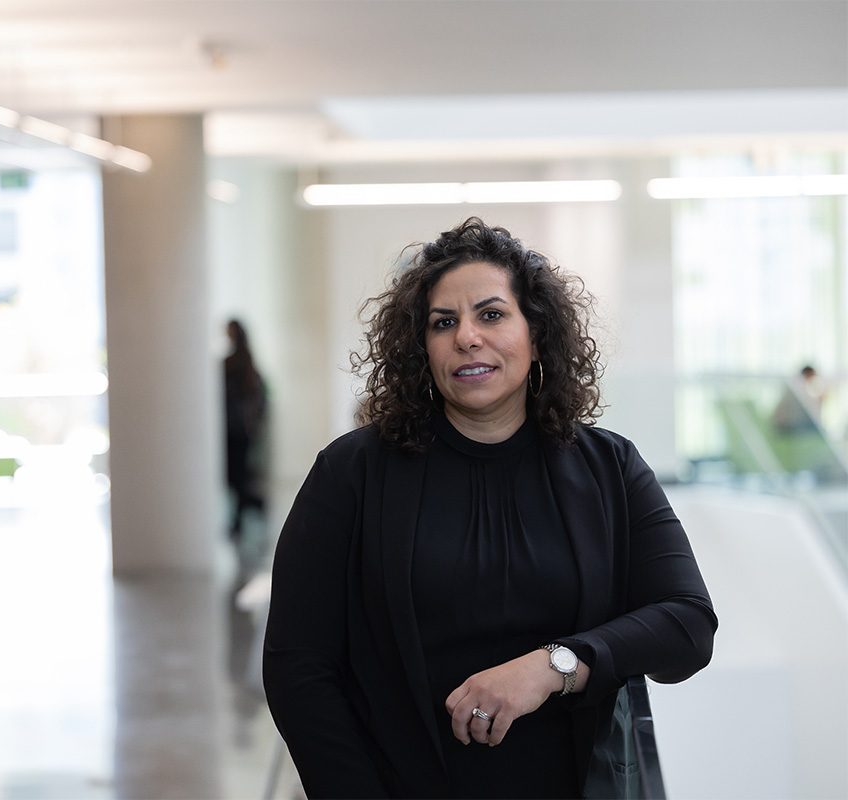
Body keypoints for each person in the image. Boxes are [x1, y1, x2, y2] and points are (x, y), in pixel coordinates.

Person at [262, 218, 717, 798]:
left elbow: (687, 623)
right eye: (442, 322)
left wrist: (554, 666)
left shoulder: (609, 467)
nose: (467, 337)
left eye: (492, 314)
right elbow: (297, 665)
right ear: (420, 348)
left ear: (537, 331)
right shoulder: (351, 472)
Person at [224, 319, 267, 540]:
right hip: (236, 430)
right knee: (236, 477)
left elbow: (257, 397)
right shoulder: (237, 362)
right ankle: (248, 512)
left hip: (238, 430)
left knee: (238, 478)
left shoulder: (236, 364)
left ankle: (244, 517)